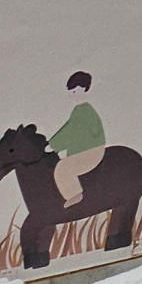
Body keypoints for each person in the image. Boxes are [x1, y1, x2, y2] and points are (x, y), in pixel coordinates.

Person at [47, 70, 109, 207]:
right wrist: (51, 142)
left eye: (75, 92)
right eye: (70, 93)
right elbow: (68, 128)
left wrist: (55, 144)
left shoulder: (86, 111)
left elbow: (74, 132)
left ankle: (74, 194)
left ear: (84, 89)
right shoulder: (78, 110)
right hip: (84, 150)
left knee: (63, 167)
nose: (72, 96)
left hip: (91, 151)